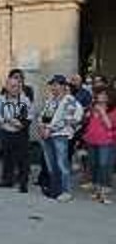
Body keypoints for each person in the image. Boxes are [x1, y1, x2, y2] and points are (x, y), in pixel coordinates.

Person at [38, 74, 84, 202]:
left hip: (60, 136)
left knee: (62, 165)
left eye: (56, 84)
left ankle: (66, 191)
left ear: (64, 86)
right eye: (52, 85)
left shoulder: (70, 101)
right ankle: (55, 189)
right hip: (48, 136)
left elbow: (68, 120)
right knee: (51, 164)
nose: (53, 87)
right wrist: (42, 126)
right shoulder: (52, 100)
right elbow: (44, 116)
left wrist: (50, 129)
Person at [0, 75, 33, 192]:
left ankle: (23, 183)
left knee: (23, 159)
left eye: (16, 86)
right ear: (6, 87)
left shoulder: (25, 99)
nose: (14, 89)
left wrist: (22, 124)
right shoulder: (1, 99)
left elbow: (30, 115)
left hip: (21, 133)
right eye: (12, 86)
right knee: (7, 157)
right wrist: (7, 120)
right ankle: (7, 180)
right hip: (6, 131)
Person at [83, 86, 116, 204]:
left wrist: (101, 112)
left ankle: (104, 189)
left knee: (103, 164)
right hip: (92, 140)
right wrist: (88, 114)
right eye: (98, 94)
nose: (99, 96)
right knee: (94, 163)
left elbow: (109, 125)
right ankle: (97, 189)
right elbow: (87, 121)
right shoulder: (93, 107)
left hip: (105, 142)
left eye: (102, 94)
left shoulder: (112, 110)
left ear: (108, 97)